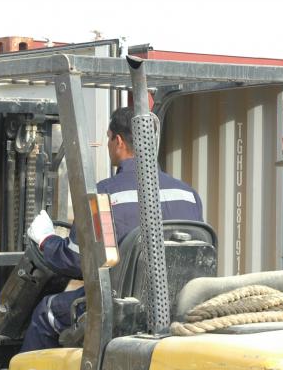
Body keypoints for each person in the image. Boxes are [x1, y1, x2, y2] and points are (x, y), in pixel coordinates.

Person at [20, 106, 203, 352]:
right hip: (178, 306)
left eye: (108, 137)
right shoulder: (188, 194)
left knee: (46, 312)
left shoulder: (106, 194)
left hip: (123, 307)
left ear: (118, 141)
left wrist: (45, 240)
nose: (108, 144)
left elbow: (76, 260)